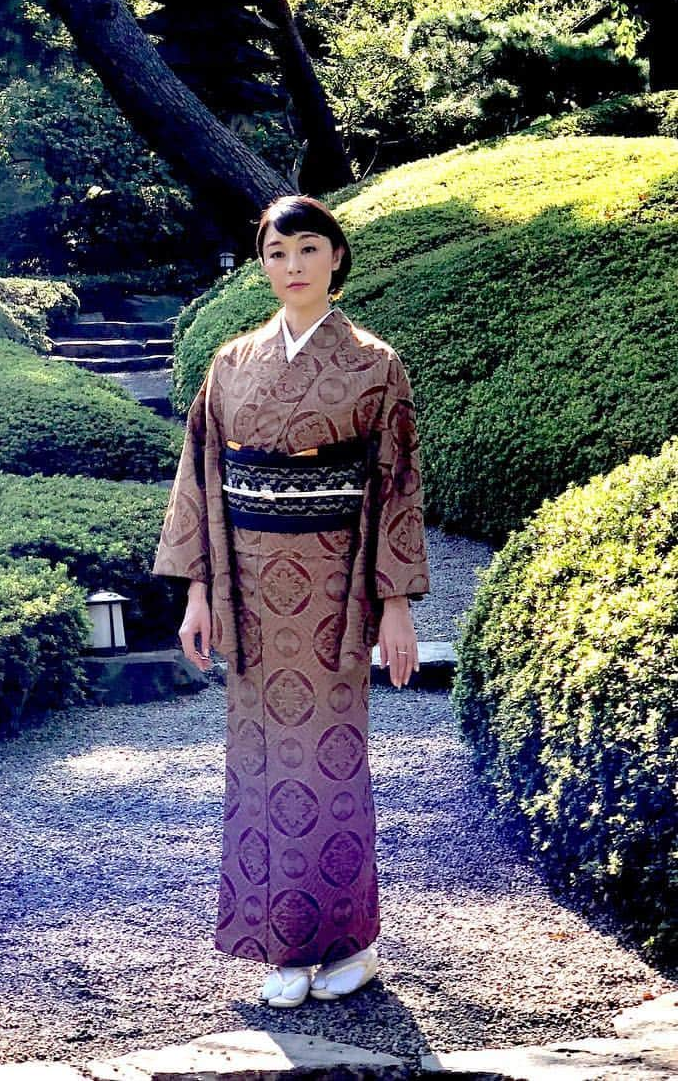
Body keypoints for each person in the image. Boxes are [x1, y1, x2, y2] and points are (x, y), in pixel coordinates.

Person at [153, 194, 430, 1009]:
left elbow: (397, 486)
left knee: (330, 761)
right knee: (259, 764)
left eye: (309, 249)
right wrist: (198, 592)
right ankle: (282, 941)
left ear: (336, 259)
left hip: (334, 588)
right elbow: (201, 476)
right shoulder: (231, 362)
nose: (293, 266)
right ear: (263, 265)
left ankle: (353, 941)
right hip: (248, 584)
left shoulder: (376, 364)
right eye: (278, 253)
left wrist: (397, 601)